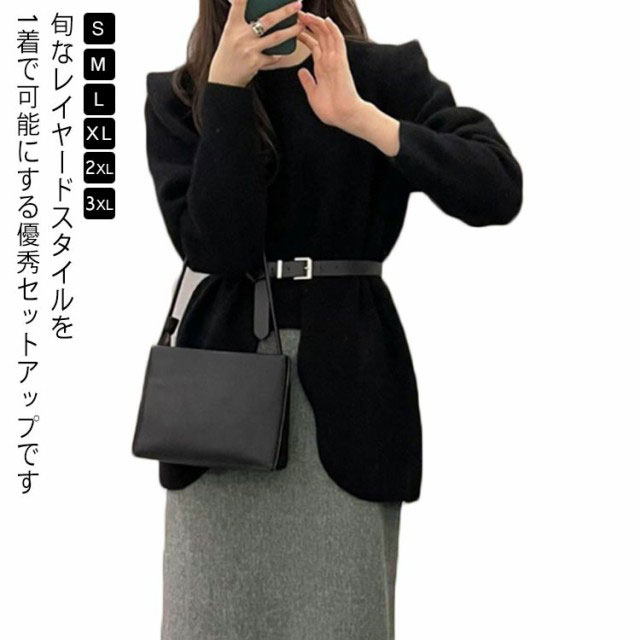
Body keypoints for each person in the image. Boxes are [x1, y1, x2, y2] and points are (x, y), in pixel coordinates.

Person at [144, 0, 523, 637]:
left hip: (350, 391)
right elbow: (220, 250)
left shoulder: (379, 74)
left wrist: (360, 117)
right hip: (221, 411)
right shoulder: (183, 94)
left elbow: (498, 188)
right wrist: (227, 91)